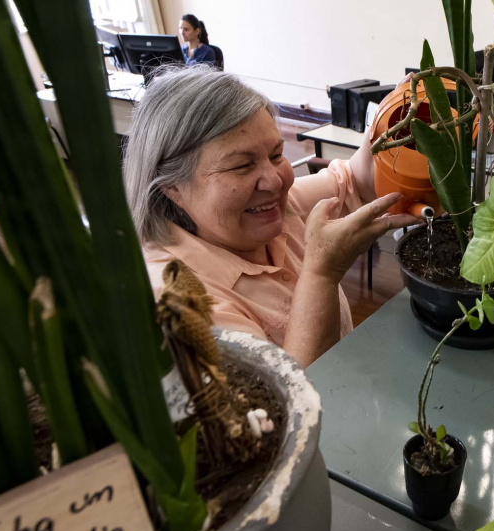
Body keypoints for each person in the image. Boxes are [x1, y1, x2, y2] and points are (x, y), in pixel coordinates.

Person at [124, 66, 419, 367]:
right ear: (173, 187)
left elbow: (354, 181)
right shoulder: (177, 303)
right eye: (241, 166)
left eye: (277, 155)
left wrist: (386, 126)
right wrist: (321, 274)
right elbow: (289, 404)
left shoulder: (274, 212)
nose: (276, 181)